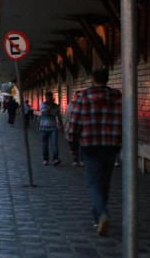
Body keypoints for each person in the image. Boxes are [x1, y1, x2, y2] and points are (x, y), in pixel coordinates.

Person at [65, 67, 123, 236]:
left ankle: (102, 214)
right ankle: (97, 218)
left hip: (90, 145)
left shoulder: (83, 97)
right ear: (107, 79)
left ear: (92, 79)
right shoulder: (116, 97)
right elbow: (123, 120)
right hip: (111, 146)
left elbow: (74, 124)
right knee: (104, 182)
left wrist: (73, 146)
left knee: (93, 182)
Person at [37, 91, 63, 166]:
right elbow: (47, 113)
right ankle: (45, 159)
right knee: (45, 144)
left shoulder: (56, 106)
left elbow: (59, 116)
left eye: (49, 98)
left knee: (54, 144)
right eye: (47, 98)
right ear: (45, 98)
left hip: (53, 128)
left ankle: (55, 159)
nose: (48, 99)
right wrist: (51, 105)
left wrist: (61, 126)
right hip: (43, 128)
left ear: (52, 97)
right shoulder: (43, 105)